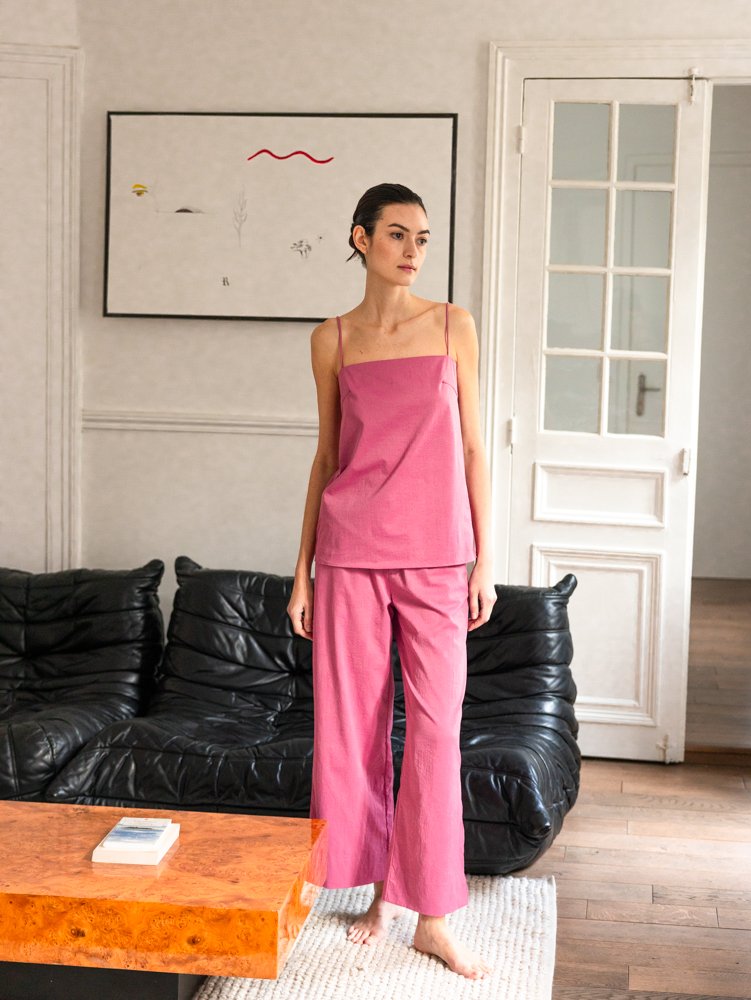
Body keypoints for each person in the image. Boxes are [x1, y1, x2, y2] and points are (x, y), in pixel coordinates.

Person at [287, 182, 496, 981]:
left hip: (438, 556)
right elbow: (326, 457)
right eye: (399, 234)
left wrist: (485, 559)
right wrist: (301, 572)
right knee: (354, 733)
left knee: (436, 733)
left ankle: (433, 918)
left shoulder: (452, 325)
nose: (413, 251)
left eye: (423, 238)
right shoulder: (331, 339)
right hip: (348, 555)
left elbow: (473, 448)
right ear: (361, 239)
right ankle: (381, 895)